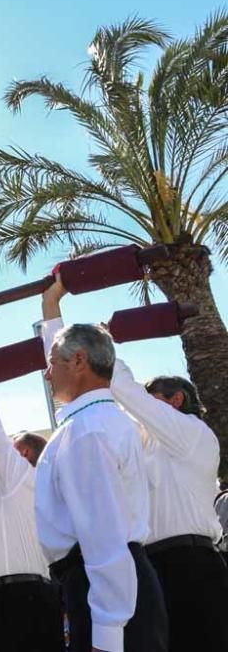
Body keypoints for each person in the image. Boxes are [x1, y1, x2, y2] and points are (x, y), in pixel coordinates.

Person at [44, 278, 223, 650]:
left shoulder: (194, 435)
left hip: (192, 566)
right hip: (146, 567)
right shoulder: (139, 439)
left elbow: (115, 387)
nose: (142, 403)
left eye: (152, 396)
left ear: (173, 400)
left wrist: (101, 345)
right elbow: (87, 389)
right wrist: (52, 316)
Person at [37, 279, 167, 652]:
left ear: (79, 362)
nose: (48, 374)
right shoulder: (96, 421)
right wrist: (50, 306)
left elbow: (104, 537)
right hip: (115, 586)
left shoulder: (87, 431)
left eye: (52, 364)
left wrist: (107, 635)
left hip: (108, 592)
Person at [0, 355, 65, 652]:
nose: (3, 451)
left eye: (12, 445)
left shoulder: (23, 478)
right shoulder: (10, 489)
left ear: (24, 454)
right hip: (7, 597)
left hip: (22, 596)